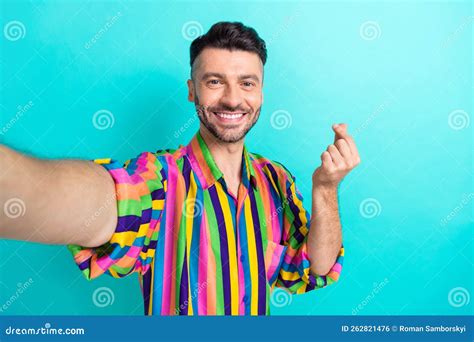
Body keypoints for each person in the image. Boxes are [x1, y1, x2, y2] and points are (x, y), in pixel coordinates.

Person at [0, 21, 360, 315]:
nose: (233, 99)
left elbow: (315, 266)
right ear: (192, 90)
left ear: (261, 92)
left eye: (247, 83)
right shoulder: (159, 177)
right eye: (215, 81)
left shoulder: (275, 181)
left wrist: (325, 189)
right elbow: (92, 200)